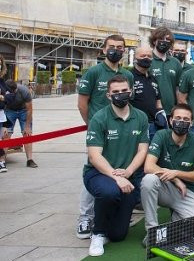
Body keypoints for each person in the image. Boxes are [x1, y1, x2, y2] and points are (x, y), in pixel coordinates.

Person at [83, 75, 149, 256]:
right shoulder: (100, 118)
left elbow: (143, 150)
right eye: (116, 92)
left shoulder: (140, 117)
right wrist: (116, 177)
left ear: (131, 92)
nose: (121, 94)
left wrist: (128, 172)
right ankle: (97, 233)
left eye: (124, 91)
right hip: (99, 174)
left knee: (118, 235)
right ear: (108, 95)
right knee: (109, 192)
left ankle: (110, 222)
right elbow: (94, 156)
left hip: (129, 175)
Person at [77, 34, 134, 240]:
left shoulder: (127, 74)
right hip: (99, 131)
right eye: (112, 47)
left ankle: (114, 214)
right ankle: (85, 217)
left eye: (120, 47)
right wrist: (91, 126)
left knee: (117, 171)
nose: (116, 50)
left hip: (122, 131)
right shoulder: (93, 72)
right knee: (94, 170)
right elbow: (83, 103)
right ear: (103, 49)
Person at [141, 104, 194, 242]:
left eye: (186, 119)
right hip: (165, 186)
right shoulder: (161, 135)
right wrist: (175, 179)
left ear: (191, 123)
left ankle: (176, 217)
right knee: (148, 180)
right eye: (178, 118)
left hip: (187, 192)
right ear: (171, 120)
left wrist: (176, 173)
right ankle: (152, 231)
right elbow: (148, 166)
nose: (181, 122)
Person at [130, 47, 167, 140]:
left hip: (153, 125)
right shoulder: (129, 77)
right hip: (136, 125)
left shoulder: (153, 78)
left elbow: (158, 101)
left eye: (149, 56)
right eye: (142, 56)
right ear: (135, 58)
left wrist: (161, 116)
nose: (146, 58)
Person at [1, 79, 37, 168]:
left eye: (14, 91)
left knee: (27, 134)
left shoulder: (24, 91)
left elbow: (29, 109)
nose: (13, 93)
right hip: (9, 111)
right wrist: (4, 126)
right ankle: (2, 161)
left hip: (23, 111)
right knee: (6, 135)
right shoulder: (3, 92)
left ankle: (30, 160)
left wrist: (27, 126)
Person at [149, 27, 182, 117]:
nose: (164, 42)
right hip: (152, 112)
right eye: (161, 39)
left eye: (167, 40)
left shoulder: (175, 62)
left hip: (171, 112)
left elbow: (178, 88)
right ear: (154, 41)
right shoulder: (147, 59)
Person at [0, 55, 9, 173]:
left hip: (1, 113)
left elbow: (8, 98)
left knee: (1, 139)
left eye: (0, 63)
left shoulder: (1, 81)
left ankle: (1, 162)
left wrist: (2, 97)